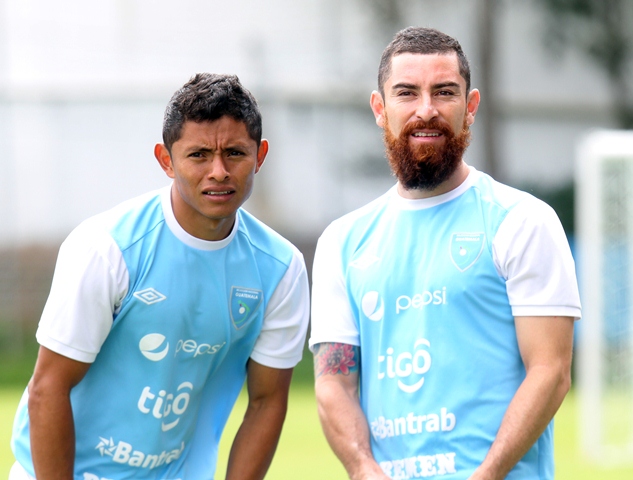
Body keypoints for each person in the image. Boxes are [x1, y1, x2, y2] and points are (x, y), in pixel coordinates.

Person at [309, 27, 581, 480]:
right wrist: (361, 468)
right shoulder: (342, 240)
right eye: (406, 93)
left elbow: (550, 372)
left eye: (444, 92)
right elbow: (334, 381)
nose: (426, 110)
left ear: (470, 107)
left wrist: (487, 474)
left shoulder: (523, 221)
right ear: (380, 108)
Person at [10, 73, 310, 480]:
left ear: (260, 156)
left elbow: (266, 402)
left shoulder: (280, 268)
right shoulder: (107, 248)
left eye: (235, 153)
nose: (219, 171)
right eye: (199, 154)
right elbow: (48, 389)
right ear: (166, 159)